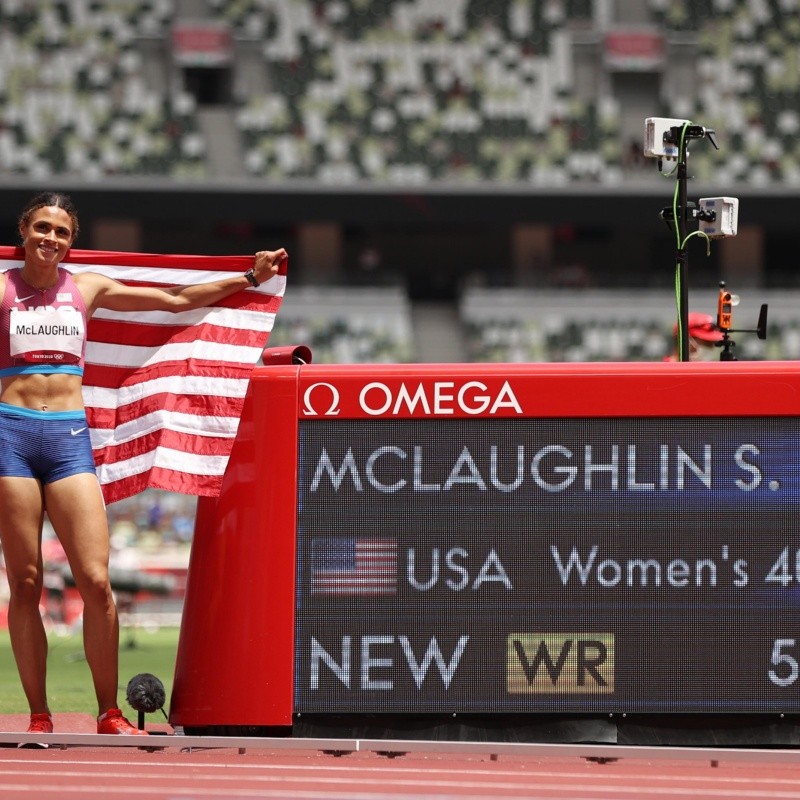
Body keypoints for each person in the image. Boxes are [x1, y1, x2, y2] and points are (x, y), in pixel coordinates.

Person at [0, 192, 287, 739]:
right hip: (10, 433)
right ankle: (39, 714)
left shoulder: (87, 288)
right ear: (24, 230)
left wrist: (248, 278)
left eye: (61, 231)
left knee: (97, 580)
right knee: (27, 580)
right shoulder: (2, 288)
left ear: (70, 240)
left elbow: (176, 300)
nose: (50, 239)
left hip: (67, 438)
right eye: (42, 227)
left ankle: (109, 713)